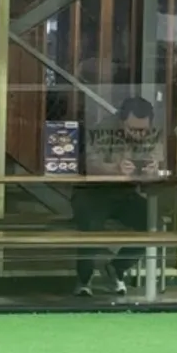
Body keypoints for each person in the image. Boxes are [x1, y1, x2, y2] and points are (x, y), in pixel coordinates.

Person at [73, 96, 163, 297]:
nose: (139, 134)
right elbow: (90, 165)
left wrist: (153, 168)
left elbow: (157, 159)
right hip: (92, 192)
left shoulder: (152, 133)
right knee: (90, 226)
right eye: (133, 129)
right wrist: (115, 168)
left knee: (152, 222)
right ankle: (84, 279)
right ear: (122, 122)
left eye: (143, 130)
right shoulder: (102, 130)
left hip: (125, 193)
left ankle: (117, 267)